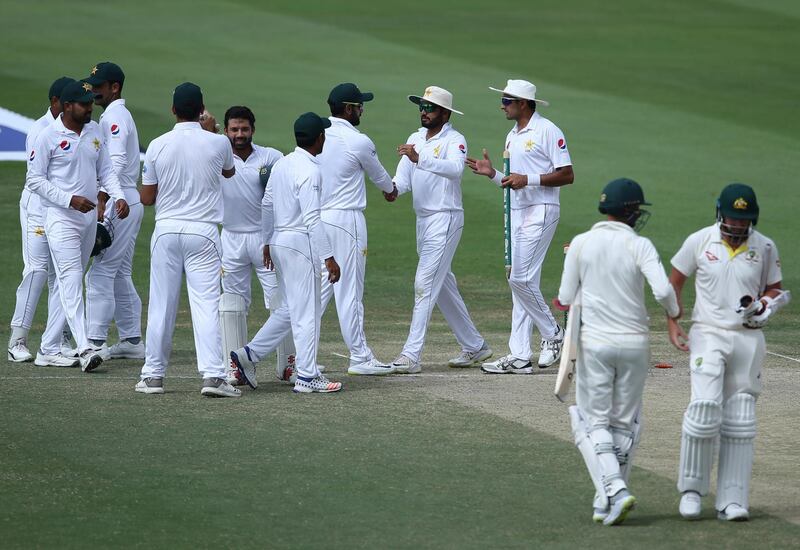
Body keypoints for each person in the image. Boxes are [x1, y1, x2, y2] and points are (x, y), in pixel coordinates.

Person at [557, 178, 679, 526]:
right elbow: (662, 290)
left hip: (596, 342)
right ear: (630, 212)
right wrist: (674, 314)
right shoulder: (639, 245)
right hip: (635, 343)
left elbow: (565, 297)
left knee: (589, 420)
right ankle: (604, 500)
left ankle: (615, 489)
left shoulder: (581, 243)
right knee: (625, 423)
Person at [669, 183, 788, 522]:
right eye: (733, 219)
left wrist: (765, 306)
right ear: (721, 214)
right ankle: (691, 491)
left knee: (741, 418)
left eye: (744, 220)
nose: (737, 226)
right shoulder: (700, 240)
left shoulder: (764, 246)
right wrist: (673, 323)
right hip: (707, 333)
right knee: (704, 409)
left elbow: (774, 289)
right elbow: (674, 281)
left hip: (748, 338)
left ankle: (732, 500)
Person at [135, 82, 239, 397]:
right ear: (202, 109)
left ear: (173, 110)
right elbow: (229, 173)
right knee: (206, 305)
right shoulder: (219, 143)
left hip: (166, 230)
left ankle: (152, 376)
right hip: (203, 232)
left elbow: (148, 198)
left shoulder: (156, 145)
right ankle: (213, 377)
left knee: (161, 306)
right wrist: (213, 131)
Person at [467, 79, 574, 373]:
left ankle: (553, 334)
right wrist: (492, 174)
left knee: (520, 279)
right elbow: (513, 181)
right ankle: (520, 355)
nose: (502, 106)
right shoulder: (512, 135)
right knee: (522, 285)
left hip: (541, 210)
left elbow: (567, 174)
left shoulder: (548, 130)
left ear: (523, 103)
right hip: (518, 210)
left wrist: (529, 179)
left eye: (506, 101)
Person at [231, 112, 343, 394]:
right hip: (298, 243)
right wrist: (328, 257)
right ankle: (307, 376)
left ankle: (248, 355)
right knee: (308, 313)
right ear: (320, 138)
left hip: (279, 241)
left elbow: (267, 204)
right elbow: (312, 219)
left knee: (291, 309)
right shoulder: (310, 170)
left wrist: (268, 241)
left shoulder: (282, 164)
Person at [26, 79, 130, 372]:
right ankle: (85, 347)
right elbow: (34, 180)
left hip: (87, 219)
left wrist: (118, 197)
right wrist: (68, 200)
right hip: (60, 220)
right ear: (68, 106)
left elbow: (106, 170)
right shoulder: (47, 136)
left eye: (91, 102)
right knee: (71, 280)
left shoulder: (94, 131)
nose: (90, 108)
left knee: (65, 283)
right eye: (85, 104)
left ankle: (48, 348)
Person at [386, 86, 490, 373]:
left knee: (424, 284)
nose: (423, 111)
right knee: (442, 285)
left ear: (444, 113)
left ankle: (411, 355)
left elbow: (456, 170)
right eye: (421, 106)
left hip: (445, 218)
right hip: (423, 219)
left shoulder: (455, 139)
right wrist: (392, 189)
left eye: (429, 107)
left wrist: (421, 158)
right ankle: (475, 345)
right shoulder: (415, 138)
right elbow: (403, 177)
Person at [318, 83, 396, 375]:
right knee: (349, 290)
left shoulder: (319, 135)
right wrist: (392, 190)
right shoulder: (358, 140)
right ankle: (360, 357)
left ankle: (301, 355)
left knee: (318, 291)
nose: (363, 109)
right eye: (359, 105)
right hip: (347, 221)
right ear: (349, 108)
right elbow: (386, 184)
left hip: (317, 220)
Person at [217, 105, 294, 385]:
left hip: (266, 240)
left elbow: (287, 191)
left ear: (253, 129)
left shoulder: (272, 157)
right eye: (234, 129)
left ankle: (288, 364)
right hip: (231, 238)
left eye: (245, 129)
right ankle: (237, 368)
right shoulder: (217, 157)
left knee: (280, 302)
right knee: (233, 305)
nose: (240, 134)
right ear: (225, 131)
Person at [8, 76, 75, 365]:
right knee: (36, 271)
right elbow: (36, 182)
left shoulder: (73, 129)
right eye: (69, 103)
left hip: (61, 212)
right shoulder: (41, 130)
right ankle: (17, 340)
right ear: (55, 102)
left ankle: (58, 338)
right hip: (37, 209)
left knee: (62, 274)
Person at [84, 62, 145, 360]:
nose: (93, 91)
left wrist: (103, 200)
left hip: (119, 201)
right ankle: (132, 340)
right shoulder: (114, 114)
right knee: (120, 272)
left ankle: (94, 344)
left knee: (100, 273)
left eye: (99, 86)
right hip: (127, 200)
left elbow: (117, 162)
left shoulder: (115, 116)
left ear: (115, 87)